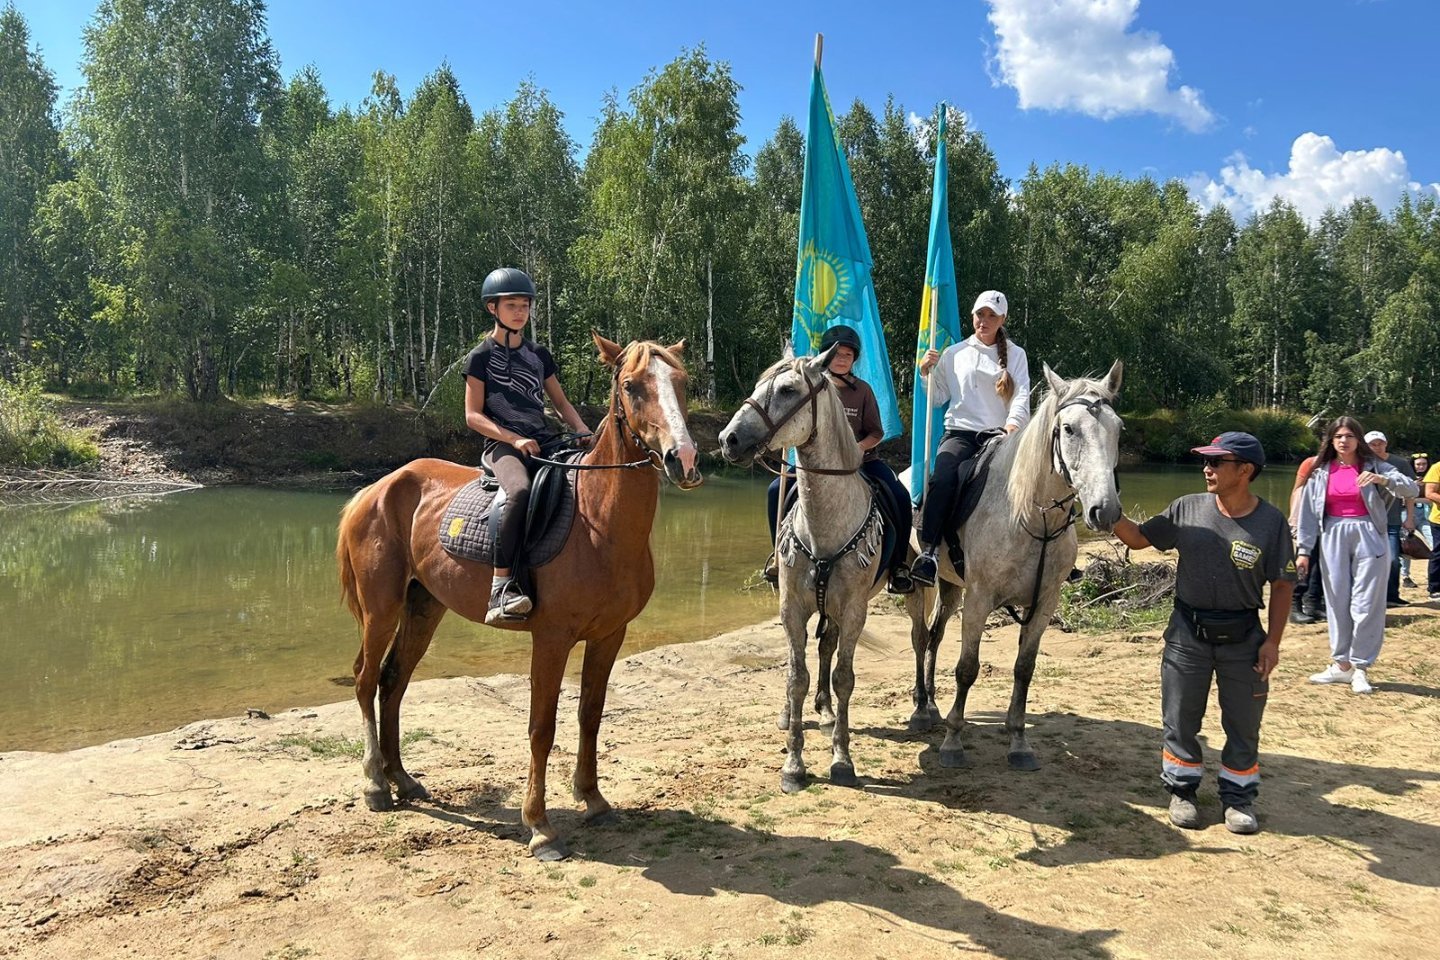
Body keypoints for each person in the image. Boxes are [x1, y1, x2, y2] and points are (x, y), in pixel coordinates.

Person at [1111, 432, 1294, 835]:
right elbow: (1140, 538)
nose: (1207, 469)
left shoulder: (1270, 523)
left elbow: (1283, 585)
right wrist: (1108, 511)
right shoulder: (1186, 508)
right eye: (1205, 462)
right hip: (1186, 635)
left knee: (1243, 723)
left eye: (1217, 462)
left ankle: (1238, 798)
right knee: (1180, 718)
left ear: (1245, 471)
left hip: (1244, 638)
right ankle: (1182, 791)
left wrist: (1273, 642)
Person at [463, 267, 593, 625]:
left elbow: (561, 404)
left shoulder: (539, 355)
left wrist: (582, 429)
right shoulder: (480, 357)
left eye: (525, 305)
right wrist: (513, 437)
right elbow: (473, 416)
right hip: (503, 446)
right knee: (519, 491)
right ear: (493, 309)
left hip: (545, 439)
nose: (520, 312)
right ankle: (501, 585)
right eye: (512, 305)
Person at [765, 325, 914, 593]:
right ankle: (778, 555)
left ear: (854, 358)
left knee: (900, 496)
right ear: (825, 357)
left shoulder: (862, 390)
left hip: (862, 462)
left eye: (847, 354)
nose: (842, 359)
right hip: (815, 467)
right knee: (775, 490)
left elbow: (876, 432)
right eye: (837, 354)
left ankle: (899, 565)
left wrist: (858, 449)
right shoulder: (810, 389)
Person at [909, 290, 1031, 586]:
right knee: (943, 479)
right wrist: (926, 373)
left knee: (1037, 478)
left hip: (1001, 436)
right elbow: (938, 398)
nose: (984, 321)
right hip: (961, 434)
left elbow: (1022, 395)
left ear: (1002, 319)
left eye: (991, 316)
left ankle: (1048, 549)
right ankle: (930, 553)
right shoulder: (954, 354)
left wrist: (1013, 427)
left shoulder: (1016, 354)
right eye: (980, 314)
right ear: (972, 316)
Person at [1295, 418, 1419, 694]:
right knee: (1337, 599)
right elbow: (1306, 514)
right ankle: (1341, 665)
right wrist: (1304, 550)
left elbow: (1411, 488)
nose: (1344, 441)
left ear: (1358, 440)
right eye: (1338, 436)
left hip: (1368, 534)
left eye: (1349, 435)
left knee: (1366, 603)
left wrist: (1383, 479)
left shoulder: (1375, 465)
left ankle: (1360, 667)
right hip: (1333, 535)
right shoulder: (1320, 471)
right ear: (1330, 440)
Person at [1363, 431, 1417, 606]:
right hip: (1366, 520)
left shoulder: (1399, 463)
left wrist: (1409, 518)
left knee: (1393, 559)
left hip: (1392, 518)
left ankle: (1391, 595)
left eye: (1380, 443)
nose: (1377, 447)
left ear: (1386, 444)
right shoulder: (1361, 463)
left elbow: (1410, 493)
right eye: (1372, 444)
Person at [1288, 453, 1326, 624]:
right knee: (1305, 561)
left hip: (1328, 522)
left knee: (1321, 565)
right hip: (1307, 520)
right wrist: (1295, 520)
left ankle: (1313, 603)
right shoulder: (1311, 462)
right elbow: (1297, 490)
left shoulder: (1345, 464)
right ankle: (1293, 605)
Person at [1401, 452, 1432, 588]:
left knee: (1435, 543)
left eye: (1424, 464)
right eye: (1418, 464)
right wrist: (1412, 487)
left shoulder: (1431, 478)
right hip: (1407, 514)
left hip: (1425, 515)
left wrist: (1415, 498)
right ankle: (1405, 576)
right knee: (1407, 545)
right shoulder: (1404, 478)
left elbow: (1431, 498)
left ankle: (1433, 575)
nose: (1421, 467)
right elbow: (1400, 499)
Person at [1422, 456, 1440, 601]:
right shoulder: (1437, 468)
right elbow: (1429, 493)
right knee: (1439, 554)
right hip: (1439, 520)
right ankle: (1435, 588)